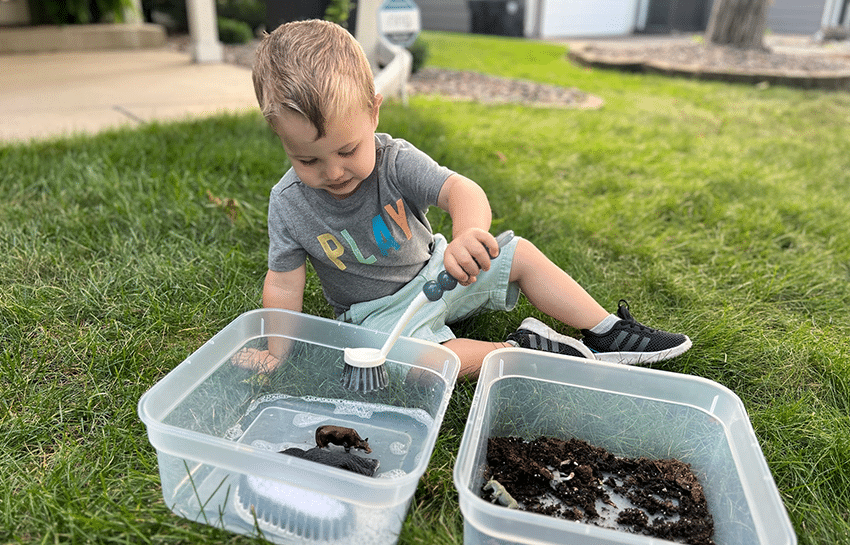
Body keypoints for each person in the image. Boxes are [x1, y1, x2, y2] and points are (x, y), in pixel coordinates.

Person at [242, 19, 690, 378]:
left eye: (347, 150)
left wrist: (468, 236)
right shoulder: (288, 204)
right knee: (409, 361)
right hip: (378, 315)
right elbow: (283, 283)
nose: (333, 172)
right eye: (308, 161)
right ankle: (521, 353)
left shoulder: (394, 161)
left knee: (520, 254)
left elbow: (461, 190)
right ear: (281, 140)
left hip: (441, 269)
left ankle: (605, 330)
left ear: (373, 110)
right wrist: (276, 352)